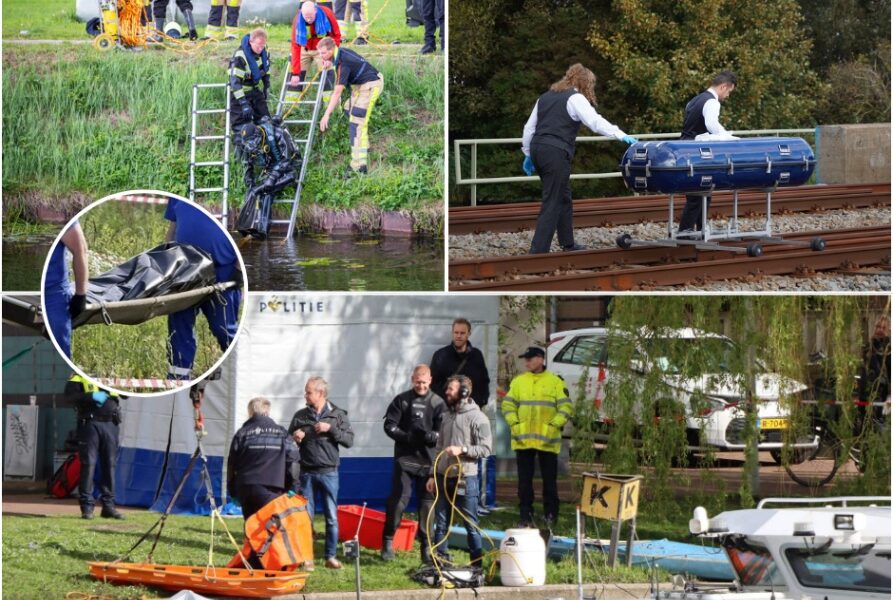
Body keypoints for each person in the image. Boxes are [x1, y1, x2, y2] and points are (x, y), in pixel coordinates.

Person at [521, 63, 637, 254]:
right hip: (555, 152)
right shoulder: (575, 98)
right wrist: (620, 134)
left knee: (562, 195)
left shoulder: (545, 97)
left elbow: (529, 128)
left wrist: (527, 154)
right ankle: (538, 251)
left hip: (538, 149)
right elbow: (594, 121)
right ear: (584, 83)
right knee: (553, 199)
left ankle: (568, 243)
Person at [164, 198, 241, 380]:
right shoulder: (176, 195)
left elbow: (246, 232)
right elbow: (173, 228)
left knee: (224, 328)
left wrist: (238, 268)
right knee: (179, 329)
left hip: (222, 270)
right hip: (185, 271)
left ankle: (240, 371)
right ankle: (178, 379)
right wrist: (167, 260)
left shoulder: (225, 198)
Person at [288, 376, 354, 570]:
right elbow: (288, 440)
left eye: (308, 392)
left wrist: (331, 429)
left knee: (331, 517)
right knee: (305, 518)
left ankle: (330, 556)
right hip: (306, 473)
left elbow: (349, 441)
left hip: (329, 473)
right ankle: (306, 557)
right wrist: (295, 436)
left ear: (321, 394)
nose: (305, 395)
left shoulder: (338, 415)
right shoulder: (300, 415)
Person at [501, 346, 571, 528]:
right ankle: (525, 515)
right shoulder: (518, 382)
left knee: (549, 482)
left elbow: (565, 408)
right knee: (524, 483)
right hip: (523, 441)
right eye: (526, 359)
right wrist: (515, 425)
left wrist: (553, 426)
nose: (526, 362)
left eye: (530, 359)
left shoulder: (555, 382)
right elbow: (507, 406)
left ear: (540, 359)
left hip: (547, 441)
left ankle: (550, 514)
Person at [381, 365, 444, 563]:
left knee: (427, 505)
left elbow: (444, 431)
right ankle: (388, 540)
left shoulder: (437, 402)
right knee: (398, 501)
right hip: (405, 460)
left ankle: (426, 547)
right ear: (412, 379)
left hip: (428, 462)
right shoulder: (402, 400)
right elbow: (389, 425)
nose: (421, 386)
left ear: (430, 381)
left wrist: (433, 436)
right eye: (418, 382)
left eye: (424, 382)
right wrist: (405, 436)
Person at [426, 375, 492, 566]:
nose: (447, 392)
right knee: (441, 522)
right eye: (447, 389)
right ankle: (440, 562)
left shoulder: (479, 417)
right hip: (442, 476)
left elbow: (486, 449)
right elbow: (439, 447)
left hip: (466, 478)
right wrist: (432, 474)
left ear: (464, 392)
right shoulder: (447, 416)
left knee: (470, 524)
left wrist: (462, 450)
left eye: (451, 389)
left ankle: (476, 565)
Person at [227, 397, 300, 549]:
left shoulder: (242, 433)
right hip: (271, 487)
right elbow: (293, 461)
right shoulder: (281, 433)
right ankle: (266, 559)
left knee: (250, 524)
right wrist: (294, 486)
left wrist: (232, 491)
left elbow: (232, 464)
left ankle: (250, 558)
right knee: (270, 526)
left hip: (245, 487)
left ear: (251, 412)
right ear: (267, 411)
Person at [677, 70, 738, 235]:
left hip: (686, 148)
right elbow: (712, 125)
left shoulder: (696, 99)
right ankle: (686, 232)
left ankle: (700, 230)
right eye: (729, 92)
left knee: (703, 192)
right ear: (723, 86)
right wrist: (728, 138)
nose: (728, 95)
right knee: (698, 195)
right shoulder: (712, 102)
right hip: (697, 152)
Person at [316, 37, 384, 177]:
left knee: (356, 124)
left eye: (323, 53)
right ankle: (364, 145)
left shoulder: (343, 63)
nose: (320, 56)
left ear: (331, 49)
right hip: (360, 87)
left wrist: (326, 115)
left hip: (371, 86)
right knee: (348, 109)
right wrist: (329, 64)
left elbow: (337, 92)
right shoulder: (340, 53)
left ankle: (358, 166)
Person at [66, 374, 124, 520]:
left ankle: (108, 507)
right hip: (90, 424)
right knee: (89, 465)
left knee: (109, 465)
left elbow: (126, 395)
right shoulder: (79, 375)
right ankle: (87, 508)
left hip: (111, 423)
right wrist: (91, 396)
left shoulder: (115, 372)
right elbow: (69, 397)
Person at [235, 118, 303, 239]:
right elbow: (248, 166)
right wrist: (250, 182)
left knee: (270, 186)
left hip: (289, 166)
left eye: (252, 142)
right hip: (271, 167)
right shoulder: (249, 146)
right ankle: (262, 231)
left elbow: (287, 159)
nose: (251, 146)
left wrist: (271, 178)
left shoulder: (277, 134)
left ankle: (263, 230)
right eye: (248, 144)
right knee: (265, 191)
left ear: (258, 135)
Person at [45, 222, 89, 359]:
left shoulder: (58, 213)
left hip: (53, 293)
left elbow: (80, 249)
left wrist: (81, 295)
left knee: (59, 351)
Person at [430, 318, 491, 409]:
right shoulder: (440, 355)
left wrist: (480, 402)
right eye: (456, 332)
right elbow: (433, 383)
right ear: (452, 333)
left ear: (468, 334)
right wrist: (447, 401)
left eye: (462, 333)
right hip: (447, 410)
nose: (458, 336)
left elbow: (484, 381)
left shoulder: (477, 355)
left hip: (471, 410)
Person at [288, 1, 341, 94]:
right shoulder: (297, 20)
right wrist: (295, 73)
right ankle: (291, 106)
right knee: (294, 79)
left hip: (322, 50)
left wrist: (330, 57)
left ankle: (330, 105)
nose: (308, 20)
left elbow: (336, 36)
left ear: (315, 11)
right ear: (301, 13)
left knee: (328, 74)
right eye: (306, 17)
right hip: (304, 49)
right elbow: (295, 46)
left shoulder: (327, 14)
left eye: (311, 17)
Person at [229, 28, 272, 134]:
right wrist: (243, 103)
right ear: (250, 41)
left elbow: (266, 70)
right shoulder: (240, 57)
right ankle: (241, 149)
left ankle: (265, 148)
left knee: (266, 122)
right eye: (258, 45)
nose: (260, 48)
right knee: (242, 128)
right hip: (239, 95)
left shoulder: (264, 52)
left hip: (255, 92)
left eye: (262, 46)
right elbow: (235, 82)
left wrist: (266, 86)